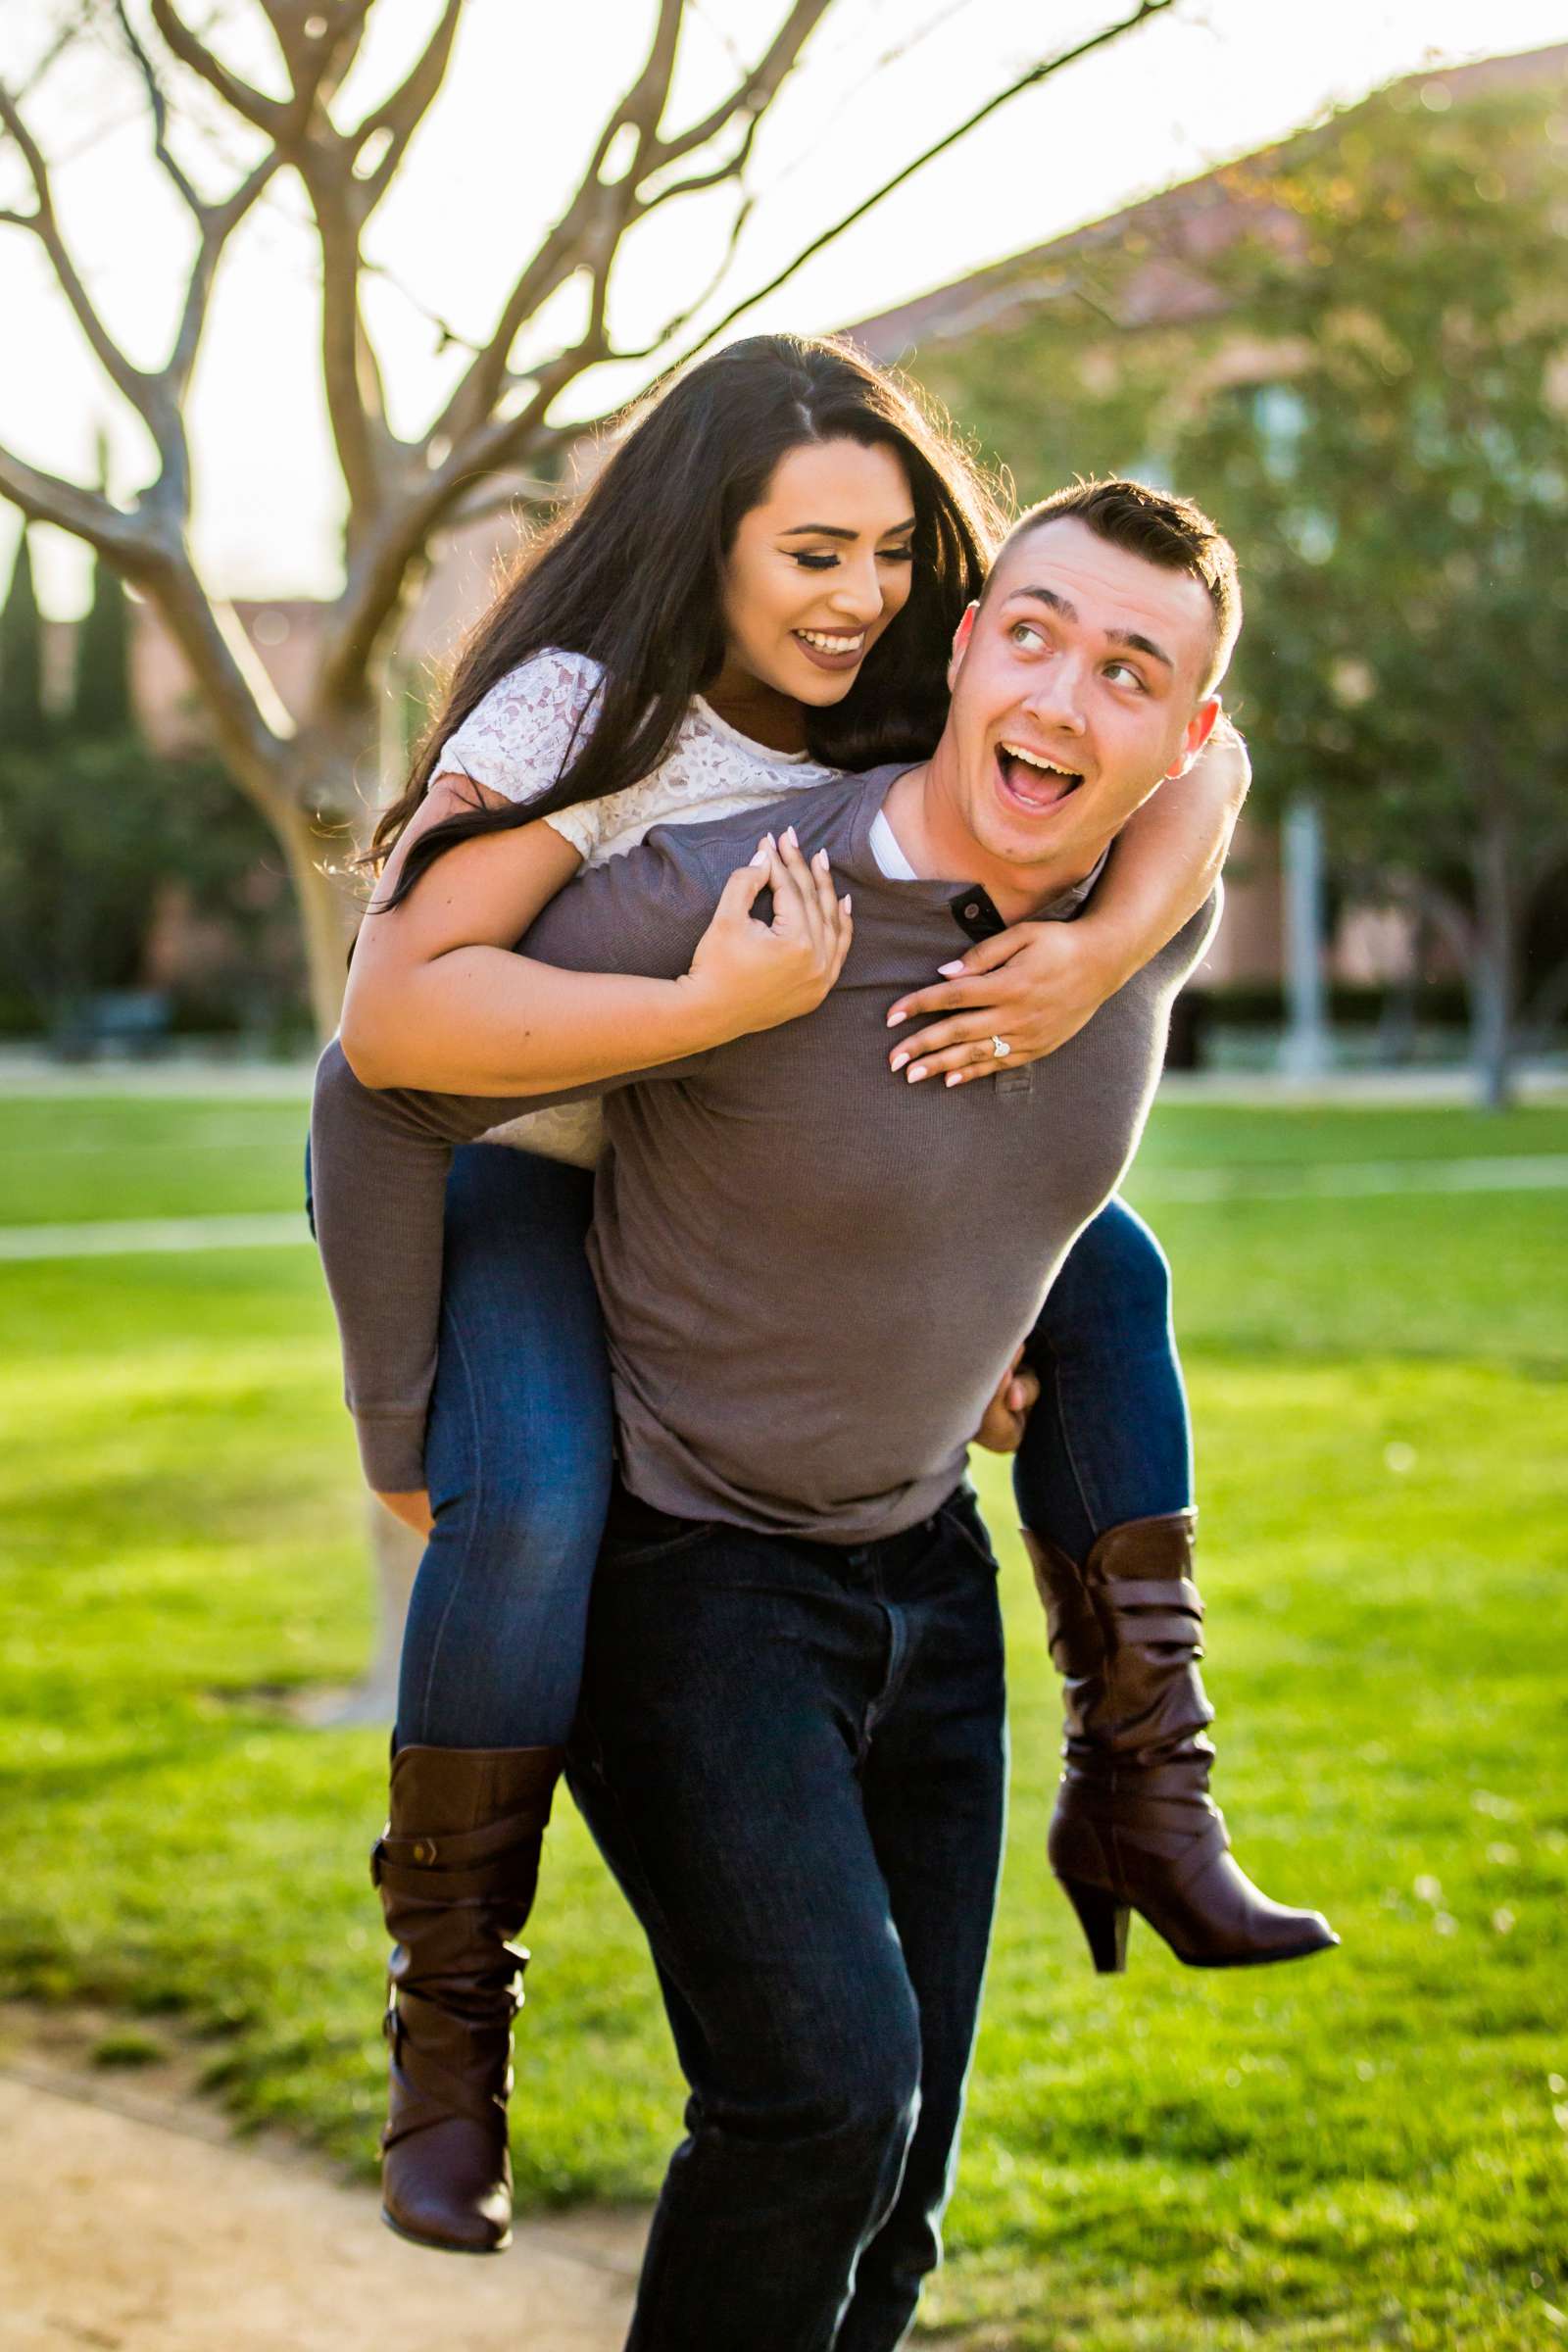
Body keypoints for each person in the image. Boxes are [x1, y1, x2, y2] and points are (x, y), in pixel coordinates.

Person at [310, 342, 1317, 2265]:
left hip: (895, 1514)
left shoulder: (1005, 762)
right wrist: (398, 1426)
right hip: (549, 1150)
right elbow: (387, 1047)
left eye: (888, 554)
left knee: (1102, 1268)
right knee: (524, 1504)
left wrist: (1095, 957)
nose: (857, 595)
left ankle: (1145, 1782)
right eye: (808, 554)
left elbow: (1200, 742)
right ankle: (449, 2036)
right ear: (707, 551)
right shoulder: (604, 730)